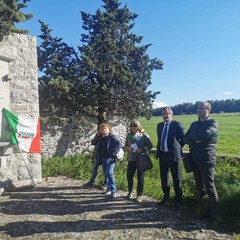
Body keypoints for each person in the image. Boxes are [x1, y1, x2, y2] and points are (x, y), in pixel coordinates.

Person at [184, 101, 219, 220]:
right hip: (194, 159)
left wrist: (194, 138)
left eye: (202, 108)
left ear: (208, 110)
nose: (199, 110)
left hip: (206, 159)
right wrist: (195, 140)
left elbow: (204, 135)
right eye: (198, 108)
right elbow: (186, 138)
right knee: (200, 187)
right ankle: (204, 210)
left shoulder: (213, 123)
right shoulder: (194, 124)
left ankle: (215, 214)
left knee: (209, 186)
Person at [156, 106, 185, 209]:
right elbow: (160, 139)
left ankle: (178, 199)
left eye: (167, 113)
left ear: (171, 115)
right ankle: (166, 197)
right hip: (162, 155)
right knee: (164, 178)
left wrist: (176, 148)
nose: (165, 115)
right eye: (163, 114)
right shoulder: (159, 126)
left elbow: (183, 139)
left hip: (174, 155)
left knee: (176, 178)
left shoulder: (177, 125)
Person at [124, 120, 153, 203]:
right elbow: (125, 146)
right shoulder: (129, 135)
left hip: (141, 159)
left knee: (140, 178)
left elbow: (150, 146)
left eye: (135, 125)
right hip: (131, 158)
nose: (133, 127)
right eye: (131, 125)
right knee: (129, 176)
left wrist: (143, 149)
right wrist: (127, 148)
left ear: (139, 126)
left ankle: (139, 194)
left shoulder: (143, 135)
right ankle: (130, 191)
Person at [97, 123, 122, 199]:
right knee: (106, 174)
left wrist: (115, 151)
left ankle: (113, 190)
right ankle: (108, 188)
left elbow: (119, 144)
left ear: (109, 129)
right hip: (103, 158)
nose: (103, 130)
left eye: (105, 128)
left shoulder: (111, 137)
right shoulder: (101, 137)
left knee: (110, 173)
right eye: (102, 129)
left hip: (110, 158)